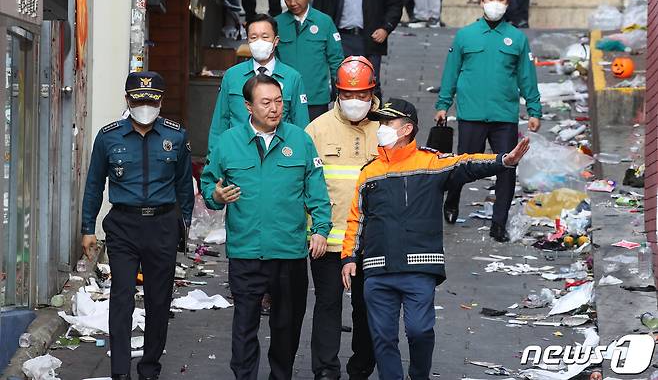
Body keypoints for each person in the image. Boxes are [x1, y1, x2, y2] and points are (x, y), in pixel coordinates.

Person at [341, 98, 530, 380]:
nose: (381, 128)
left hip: (419, 268)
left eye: (387, 123)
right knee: (382, 338)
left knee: (419, 331)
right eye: (380, 123)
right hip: (378, 270)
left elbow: (467, 164)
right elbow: (357, 217)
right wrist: (349, 257)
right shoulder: (369, 172)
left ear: (406, 129)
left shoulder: (430, 163)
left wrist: (504, 161)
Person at [200, 74, 332, 379]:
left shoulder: (300, 140)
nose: (275, 109)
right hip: (246, 251)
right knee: (244, 324)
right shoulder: (228, 143)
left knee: (287, 327)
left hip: (289, 252)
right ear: (248, 106)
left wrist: (321, 230)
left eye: (279, 102)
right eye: (265, 102)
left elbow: (317, 191)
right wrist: (216, 195)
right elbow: (209, 183)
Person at [81, 72, 194, 380]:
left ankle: (149, 369)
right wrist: (87, 228)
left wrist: (183, 228)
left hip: (162, 225)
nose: (146, 105)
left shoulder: (176, 136)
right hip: (123, 225)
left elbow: (185, 187)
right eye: (139, 100)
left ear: (161, 101)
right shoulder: (108, 137)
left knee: (159, 302)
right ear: (127, 100)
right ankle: (120, 372)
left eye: (152, 100)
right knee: (121, 298)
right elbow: (94, 185)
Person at [435, 0, 541, 242]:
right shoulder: (465, 36)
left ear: (507, 4)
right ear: (482, 2)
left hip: (504, 115)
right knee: (462, 164)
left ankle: (499, 222)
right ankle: (453, 199)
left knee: (507, 168)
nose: (495, 3)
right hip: (471, 113)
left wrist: (534, 109)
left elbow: (527, 76)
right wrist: (442, 104)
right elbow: (451, 72)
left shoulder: (517, 38)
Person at [305, 56, 379, 380]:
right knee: (327, 305)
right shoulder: (317, 130)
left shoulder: (386, 129)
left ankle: (361, 368)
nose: (355, 102)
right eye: (348, 95)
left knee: (368, 311)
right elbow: (305, 185)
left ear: (372, 92)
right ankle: (325, 370)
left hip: (371, 243)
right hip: (328, 241)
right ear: (337, 93)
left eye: (362, 95)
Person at [208, 14, 309, 156]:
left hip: (278, 155)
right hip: (238, 154)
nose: (259, 42)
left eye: (265, 36)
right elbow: (220, 122)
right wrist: (213, 160)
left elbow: (301, 126)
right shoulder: (232, 76)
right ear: (248, 41)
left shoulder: (292, 78)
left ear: (276, 41)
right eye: (253, 37)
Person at [313, 0, 403, 100]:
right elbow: (320, 5)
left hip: (370, 38)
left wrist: (385, 28)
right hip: (341, 38)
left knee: (371, 86)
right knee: (340, 86)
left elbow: (395, 4)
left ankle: (373, 123)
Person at [276, 0, 344, 121]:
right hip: (284, 99)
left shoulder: (324, 22)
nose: (292, 3)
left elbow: (336, 61)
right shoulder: (276, 24)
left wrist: (341, 95)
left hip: (316, 99)